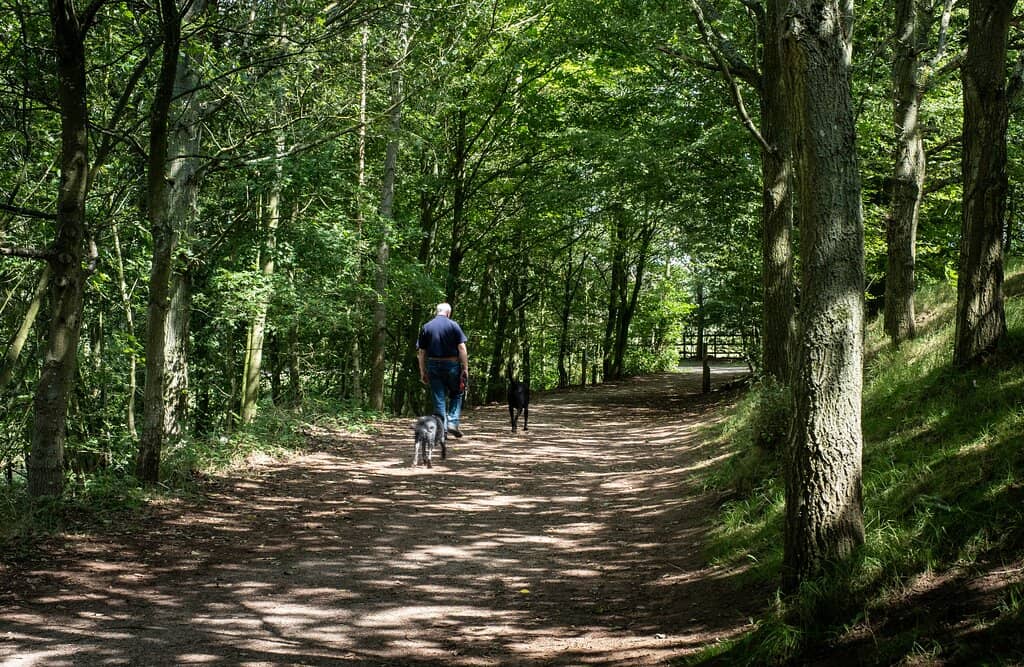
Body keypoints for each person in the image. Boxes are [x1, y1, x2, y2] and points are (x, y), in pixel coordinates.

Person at [416, 302, 468, 438]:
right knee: (457, 393)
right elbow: (462, 348)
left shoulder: (426, 327)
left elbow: (421, 352)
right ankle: (452, 422)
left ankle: (442, 429)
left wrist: (422, 371)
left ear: (436, 311)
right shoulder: (453, 325)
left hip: (433, 365)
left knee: (438, 398)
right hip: (451, 364)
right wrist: (465, 368)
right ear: (448, 313)